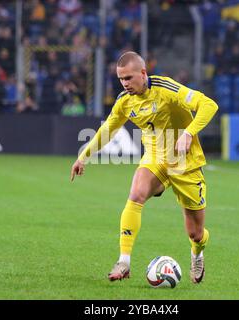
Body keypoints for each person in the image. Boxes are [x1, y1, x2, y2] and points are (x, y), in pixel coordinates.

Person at [70, 51, 218, 283]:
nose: (124, 84)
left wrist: (189, 133)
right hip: (155, 159)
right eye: (121, 79)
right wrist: (83, 156)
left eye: (128, 78)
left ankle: (197, 252)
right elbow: (107, 130)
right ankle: (124, 261)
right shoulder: (124, 101)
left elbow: (209, 105)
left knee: (195, 233)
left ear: (142, 73)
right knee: (136, 194)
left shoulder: (166, 88)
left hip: (185, 163)